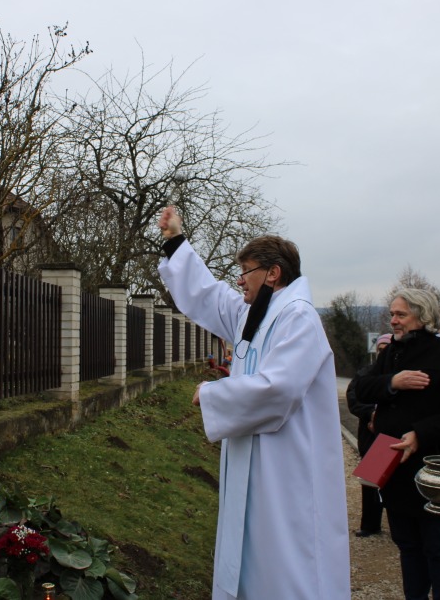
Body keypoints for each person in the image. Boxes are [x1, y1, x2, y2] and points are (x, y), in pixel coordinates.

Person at [156, 206, 350, 600]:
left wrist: (212, 393)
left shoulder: (298, 318)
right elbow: (208, 295)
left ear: (273, 273)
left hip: (286, 469)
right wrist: (175, 241)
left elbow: (279, 389)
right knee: (252, 559)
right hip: (255, 462)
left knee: (286, 563)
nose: (240, 280)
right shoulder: (254, 315)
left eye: (246, 271)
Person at [353, 289, 440, 600]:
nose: (393, 321)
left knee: (438, 546)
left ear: (423, 316)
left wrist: (420, 433)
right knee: (407, 544)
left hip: (433, 468)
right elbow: (361, 388)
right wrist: (392, 382)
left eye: (401, 315)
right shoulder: (391, 354)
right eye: (392, 315)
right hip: (393, 465)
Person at [346, 332, 392, 537]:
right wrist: (370, 414)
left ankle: (398, 524)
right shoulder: (365, 373)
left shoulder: (400, 374)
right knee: (370, 480)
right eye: (380, 349)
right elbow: (353, 398)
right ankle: (370, 524)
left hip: (392, 435)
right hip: (370, 433)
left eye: (386, 349)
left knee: (395, 483)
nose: (383, 352)